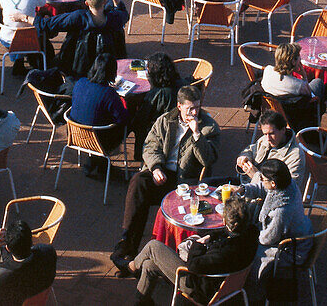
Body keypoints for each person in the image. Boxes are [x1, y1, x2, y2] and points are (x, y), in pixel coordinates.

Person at [111, 85, 221, 272]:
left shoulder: (208, 127)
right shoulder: (164, 120)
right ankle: (128, 243)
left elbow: (208, 159)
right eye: (189, 109)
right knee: (138, 182)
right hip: (162, 173)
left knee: (150, 196)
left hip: (184, 182)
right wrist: (155, 168)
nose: (194, 112)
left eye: (197, 107)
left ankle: (151, 260)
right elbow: (150, 146)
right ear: (179, 106)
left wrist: (196, 135)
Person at [128, 193, 257, 306]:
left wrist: (198, 244)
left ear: (224, 220)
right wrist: (209, 236)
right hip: (229, 282)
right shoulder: (251, 233)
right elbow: (224, 234)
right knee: (149, 265)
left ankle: (132, 266)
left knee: (153, 246)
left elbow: (193, 265)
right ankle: (142, 301)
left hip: (200, 288)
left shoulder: (225, 251)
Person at [242, 159, 313, 297]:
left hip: (291, 249)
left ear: (273, 184)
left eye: (262, 178)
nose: (261, 180)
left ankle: (251, 291)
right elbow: (263, 189)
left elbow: (268, 239)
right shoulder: (288, 185)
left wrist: (249, 235)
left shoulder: (282, 211)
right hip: (300, 232)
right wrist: (244, 189)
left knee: (247, 251)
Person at [35, 0, 129, 79]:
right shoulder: (114, 18)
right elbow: (124, 14)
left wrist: (25, 18)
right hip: (106, 67)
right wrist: (116, 0)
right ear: (104, 2)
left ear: (86, 3)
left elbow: (47, 24)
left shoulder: (78, 17)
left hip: (78, 67)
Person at [70, 52, 129, 175]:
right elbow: (123, 119)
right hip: (99, 140)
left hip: (76, 134)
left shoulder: (80, 82)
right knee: (130, 121)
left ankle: (96, 162)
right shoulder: (109, 94)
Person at [130, 53, 182, 161]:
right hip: (178, 127)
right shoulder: (181, 84)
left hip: (158, 132)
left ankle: (140, 156)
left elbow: (141, 119)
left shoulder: (157, 94)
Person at [236, 110, 306, 190]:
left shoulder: (295, 156)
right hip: (245, 183)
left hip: (262, 196)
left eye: (272, 133)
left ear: (283, 130)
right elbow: (251, 150)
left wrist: (255, 176)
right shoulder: (266, 139)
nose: (268, 138)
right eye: (265, 134)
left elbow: (285, 190)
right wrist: (244, 157)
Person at [260, 43, 323, 130]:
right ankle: (314, 126)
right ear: (293, 61)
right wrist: (304, 76)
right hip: (292, 113)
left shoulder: (268, 70)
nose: (300, 59)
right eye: (299, 57)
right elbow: (309, 95)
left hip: (272, 108)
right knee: (318, 82)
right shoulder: (298, 85)